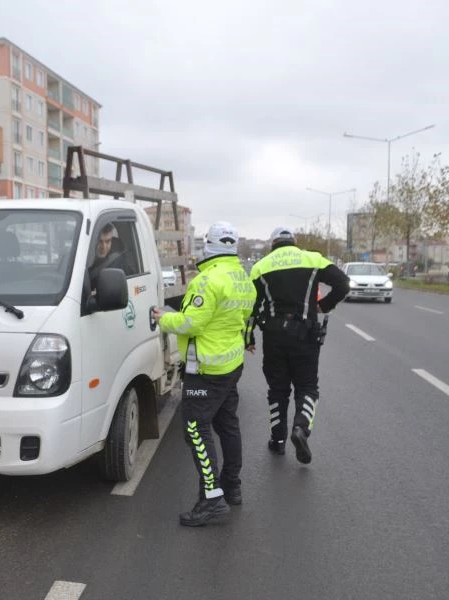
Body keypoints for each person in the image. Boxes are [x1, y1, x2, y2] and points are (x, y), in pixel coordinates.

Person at [153, 221, 256, 527]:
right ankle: (232, 487)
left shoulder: (206, 280)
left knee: (196, 430)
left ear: (207, 246)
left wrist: (165, 318)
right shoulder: (242, 278)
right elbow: (245, 320)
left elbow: (191, 324)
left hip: (206, 369)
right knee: (227, 424)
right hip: (231, 365)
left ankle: (211, 499)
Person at [246, 226, 349, 464]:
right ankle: (301, 428)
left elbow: (251, 306)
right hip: (305, 335)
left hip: (273, 336)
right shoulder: (312, 258)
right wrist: (324, 305)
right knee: (307, 387)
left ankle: (278, 440)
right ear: (294, 242)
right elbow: (343, 284)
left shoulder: (261, 266)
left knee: (278, 390)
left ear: (273, 244)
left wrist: (248, 336)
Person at [87, 222, 128, 294]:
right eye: (100, 241)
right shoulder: (83, 258)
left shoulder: (118, 261)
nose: (104, 247)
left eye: (108, 241)